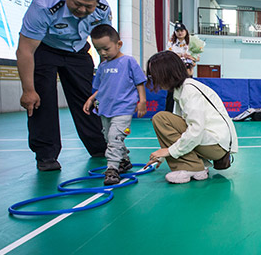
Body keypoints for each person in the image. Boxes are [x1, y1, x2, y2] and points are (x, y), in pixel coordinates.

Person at [17, 0, 110, 171]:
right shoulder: (43, 6)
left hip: (77, 51)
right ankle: (46, 155)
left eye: (89, 7)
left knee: (89, 98)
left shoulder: (102, 9)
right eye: (78, 4)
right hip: (45, 49)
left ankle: (100, 146)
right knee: (41, 99)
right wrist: (28, 90)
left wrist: (107, 80)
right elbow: (25, 50)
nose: (83, 10)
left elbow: (105, 45)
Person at [146, 52, 237, 183]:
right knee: (166, 119)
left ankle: (192, 167)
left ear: (166, 72)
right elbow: (181, 128)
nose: (154, 79)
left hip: (217, 146)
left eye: (154, 74)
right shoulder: (181, 90)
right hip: (215, 144)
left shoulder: (189, 90)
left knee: (161, 119)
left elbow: (196, 130)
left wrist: (169, 151)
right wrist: (162, 155)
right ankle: (198, 164)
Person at [82, 25, 147, 185]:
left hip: (123, 108)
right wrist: (91, 98)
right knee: (108, 137)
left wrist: (142, 101)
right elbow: (102, 87)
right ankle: (124, 160)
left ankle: (112, 169)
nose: (103, 53)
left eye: (106, 48)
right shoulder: (103, 66)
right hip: (105, 109)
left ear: (118, 44)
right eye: (98, 50)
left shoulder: (128, 61)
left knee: (114, 137)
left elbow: (139, 82)